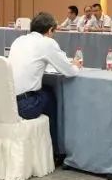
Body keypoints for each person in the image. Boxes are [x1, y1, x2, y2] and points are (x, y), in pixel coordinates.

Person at [7, 12, 80, 155]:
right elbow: (70, 72)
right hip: (25, 106)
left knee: (45, 90)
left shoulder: (19, 40)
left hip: (9, 102)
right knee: (51, 96)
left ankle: (48, 148)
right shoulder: (47, 42)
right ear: (50, 30)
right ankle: (56, 150)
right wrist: (76, 65)